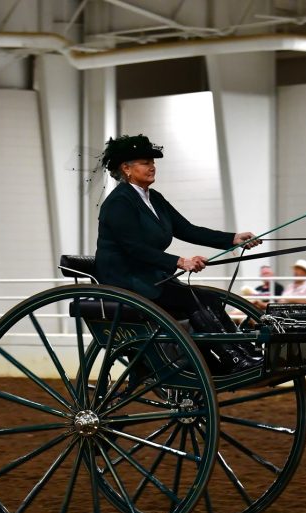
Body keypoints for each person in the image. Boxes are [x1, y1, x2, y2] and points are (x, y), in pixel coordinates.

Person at [93, 133, 263, 373]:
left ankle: (238, 354)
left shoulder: (155, 199)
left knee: (209, 299)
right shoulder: (119, 202)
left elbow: (187, 229)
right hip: (126, 280)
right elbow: (133, 248)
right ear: (126, 168)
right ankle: (233, 357)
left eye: (153, 163)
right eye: (145, 162)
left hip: (148, 275)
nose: (152, 167)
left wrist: (232, 239)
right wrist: (180, 261)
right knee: (192, 299)